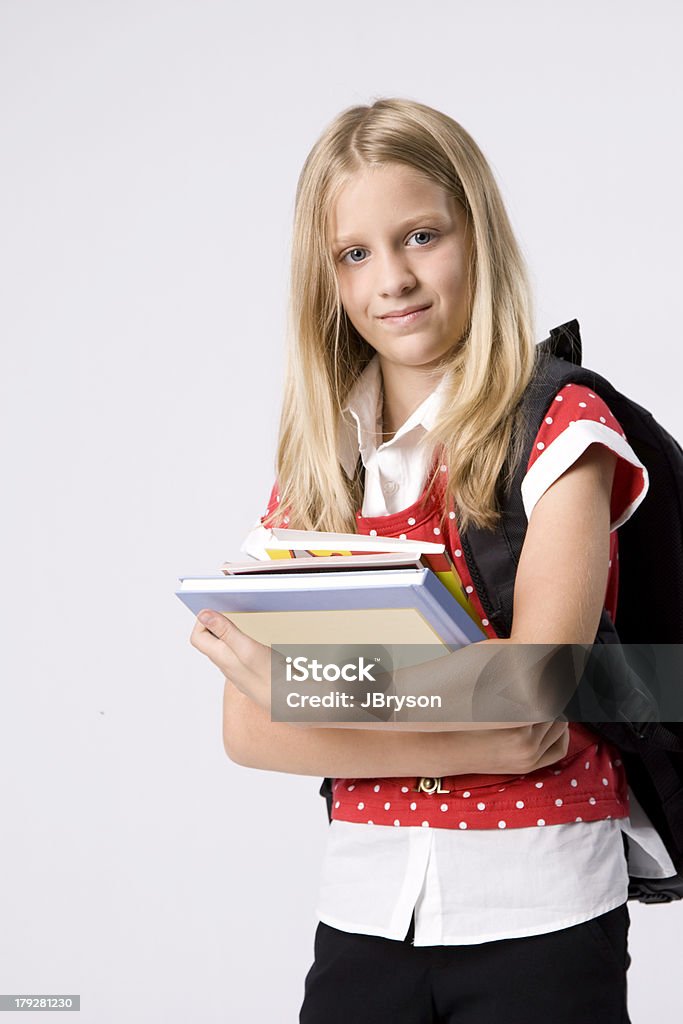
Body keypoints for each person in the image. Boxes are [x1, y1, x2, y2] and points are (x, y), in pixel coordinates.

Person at [189, 98, 675, 1023]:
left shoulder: (560, 431)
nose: (394, 279)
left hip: (539, 905)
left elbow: (534, 687)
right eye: (355, 254)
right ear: (324, 280)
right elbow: (247, 732)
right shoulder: (320, 468)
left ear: (477, 235)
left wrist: (308, 692)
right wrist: (476, 734)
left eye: (420, 235)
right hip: (364, 907)